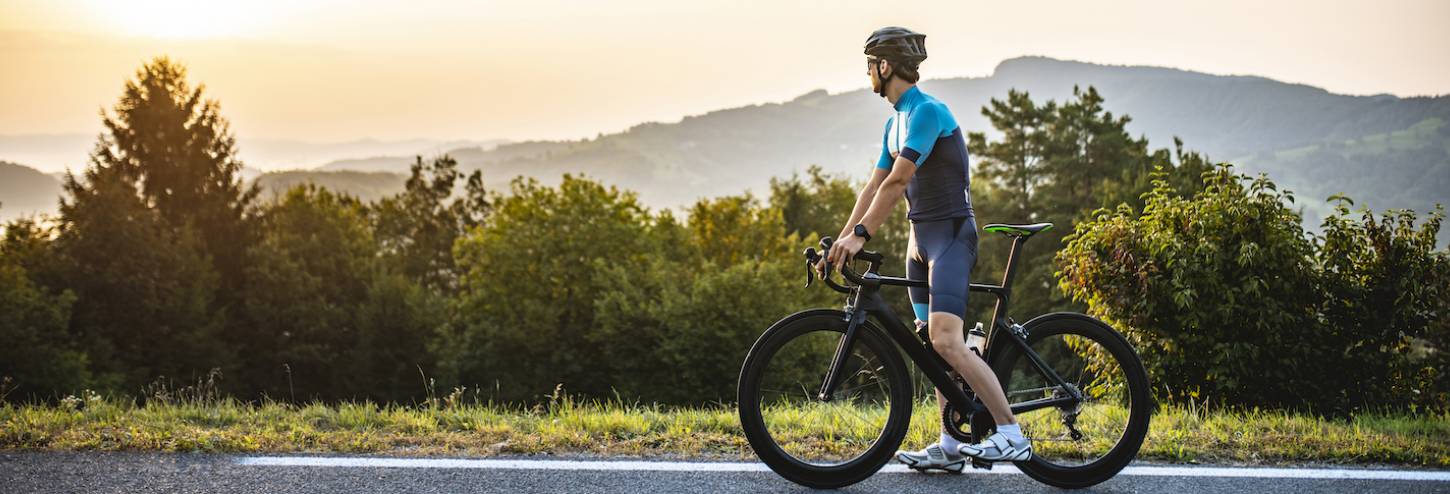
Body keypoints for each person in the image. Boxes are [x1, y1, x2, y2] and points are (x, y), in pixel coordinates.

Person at [817, 26, 1031, 473]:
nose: (866, 73)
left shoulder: (928, 112)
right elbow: (873, 185)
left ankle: (1011, 434)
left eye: (869, 65)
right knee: (933, 346)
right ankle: (951, 447)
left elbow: (898, 181)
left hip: (950, 237)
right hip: (920, 243)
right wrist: (843, 238)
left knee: (947, 340)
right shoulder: (893, 122)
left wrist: (862, 236)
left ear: (885, 66)